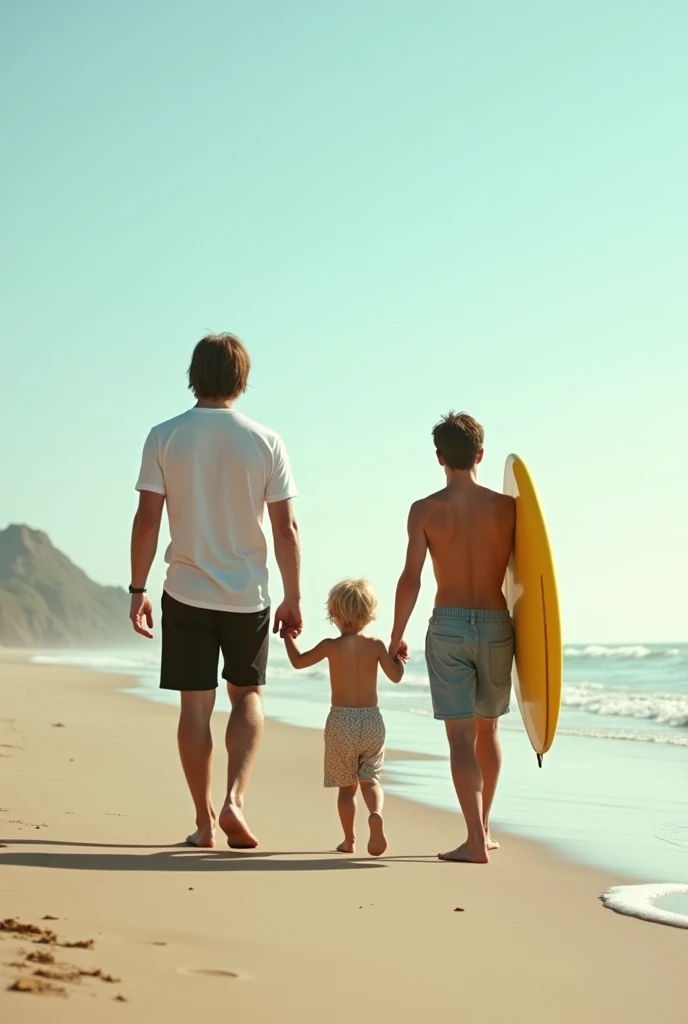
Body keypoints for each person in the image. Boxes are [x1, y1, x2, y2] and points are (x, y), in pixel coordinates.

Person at [129, 333, 301, 850]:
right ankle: (235, 801)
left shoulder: (165, 435)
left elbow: (146, 520)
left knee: (194, 707)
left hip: (185, 591)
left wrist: (137, 587)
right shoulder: (266, 440)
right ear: (241, 378)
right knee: (247, 695)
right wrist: (293, 595)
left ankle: (204, 824)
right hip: (247, 594)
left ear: (194, 374)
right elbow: (287, 528)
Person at [390, 412, 515, 864]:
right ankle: (484, 829)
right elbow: (530, 580)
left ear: (439, 457)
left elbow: (411, 580)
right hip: (498, 624)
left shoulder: (424, 510)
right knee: (489, 729)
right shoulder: (508, 508)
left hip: (447, 627)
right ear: (481, 455)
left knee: (460, 739)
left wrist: (395, 636)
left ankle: (474, 840)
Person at [282, 579, 406, 856]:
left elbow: (299, 661)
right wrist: (399, 659)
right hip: (372, 721)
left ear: (334, 615)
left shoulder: (330, 646)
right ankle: (375, 813)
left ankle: (349, 840)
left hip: (341, 722)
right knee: (370, 779)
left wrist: (289, 638)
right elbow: (396, 677)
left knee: (347, 789)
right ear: (369, 614)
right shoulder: (375, 645)